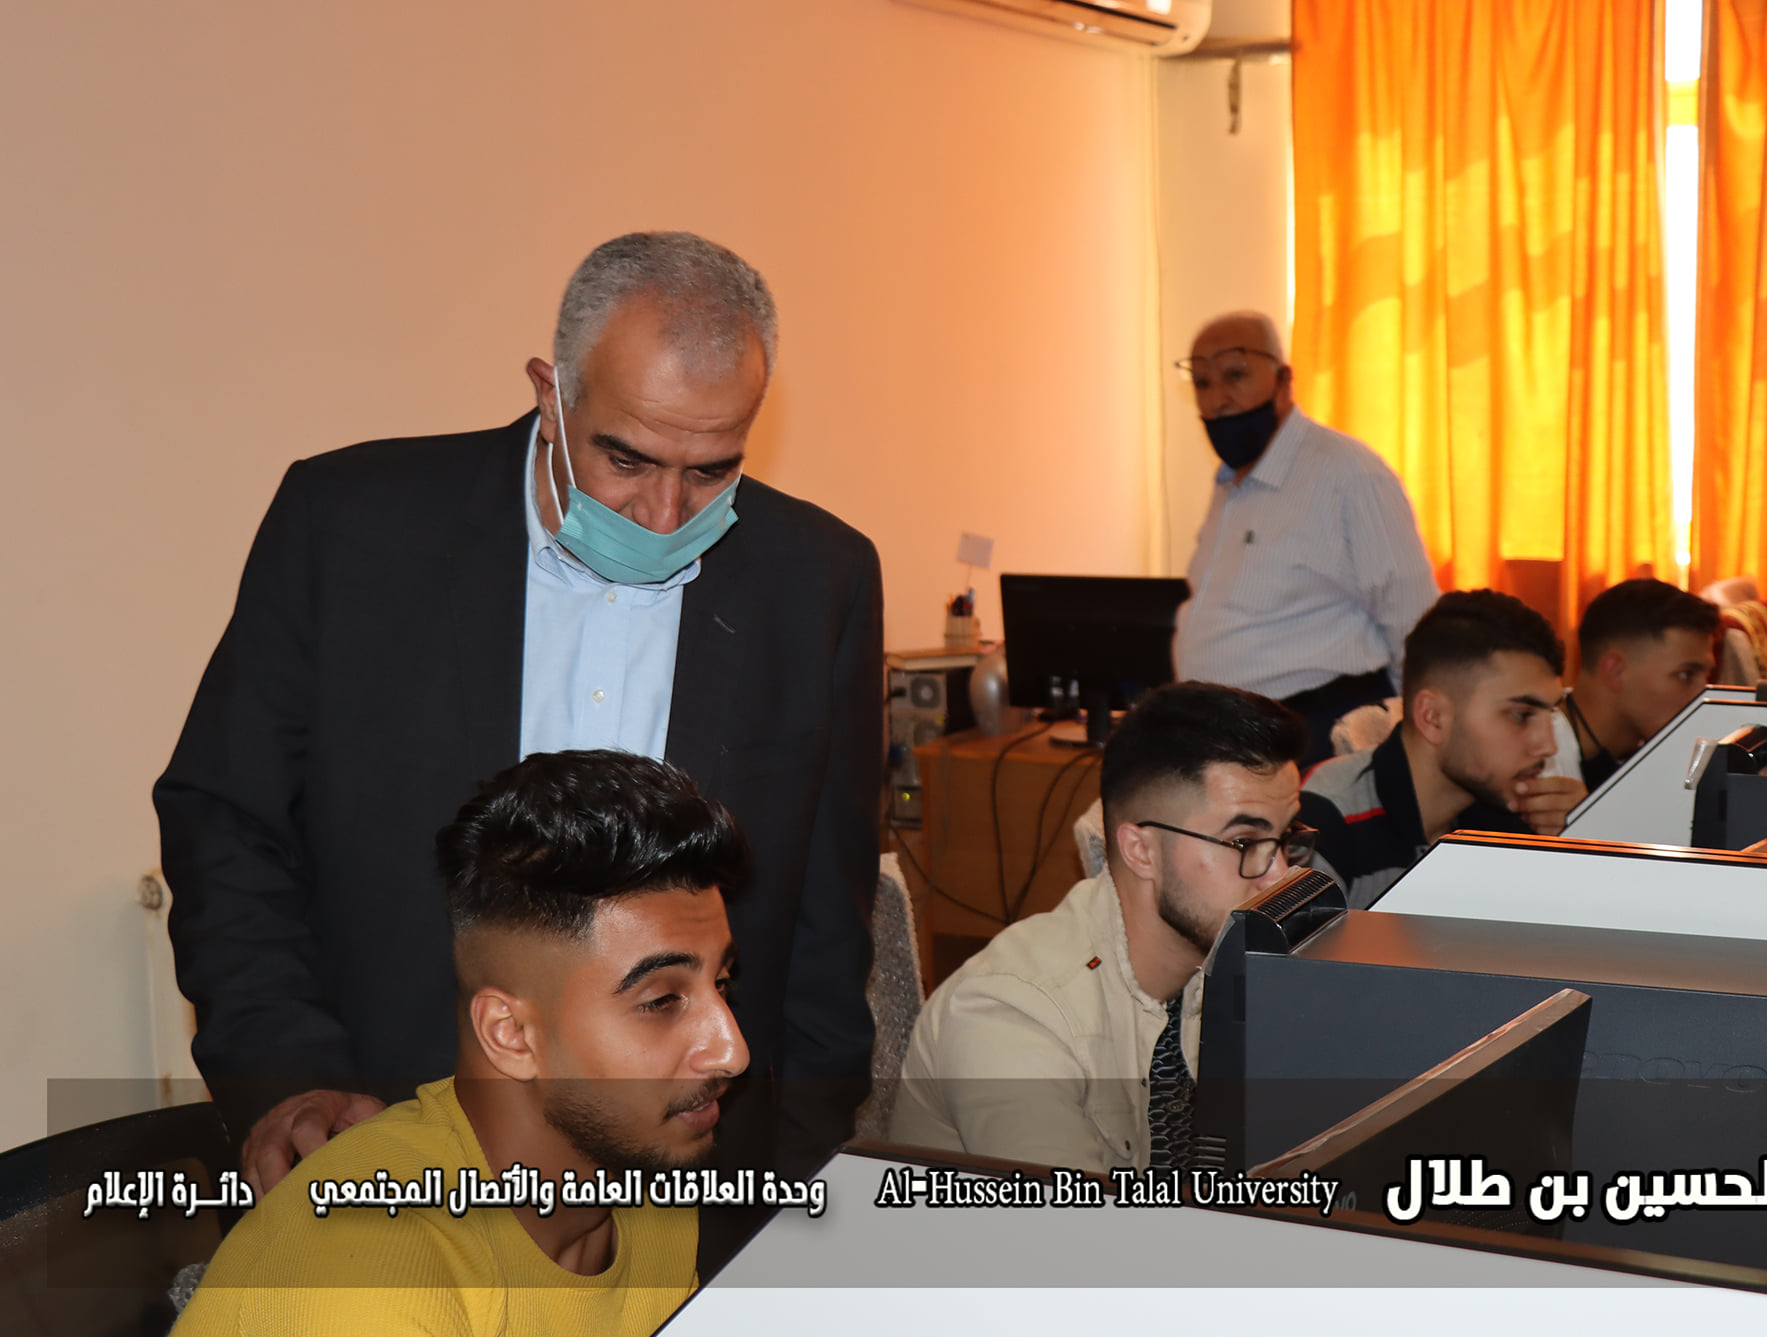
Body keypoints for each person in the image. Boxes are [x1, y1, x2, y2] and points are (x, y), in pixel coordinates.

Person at [155, 232, 880, 1202]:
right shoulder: (351, 527)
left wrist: (792, 1167)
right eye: (626, 457)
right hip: (382, 1133)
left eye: (711, 470)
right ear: (552, 392)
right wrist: (286, 1079)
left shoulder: (817, 578)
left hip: (693, 1169)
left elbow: (826, 917)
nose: (664, 513)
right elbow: (226, 817)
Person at [174, 750, 748, 1333]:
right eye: (661, 1000)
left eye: (722, 983)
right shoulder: (368, 1267)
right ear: (510, 1034)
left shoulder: (651, 1191)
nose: (732, 1051)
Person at [889, 683, 1324, 1171]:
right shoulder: (1011, 1016)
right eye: (1244, 842)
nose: (1279, 873)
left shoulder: (1223, 966)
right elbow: (1072, 1219)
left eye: (1285, 837)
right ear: (1141, 851)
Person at [1171, 311, 1439, 767]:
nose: (1217, 400)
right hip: (1225, 738)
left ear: (1283, 380)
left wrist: (1415, 750)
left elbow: (1415, 625)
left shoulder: (1348, 474)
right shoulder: (1228, 486)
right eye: (1202, 382)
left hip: (1317, 737)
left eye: (1235, 374)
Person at [1306, 590, 1566, 906]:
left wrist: (1572, 843)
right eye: (1521, 715)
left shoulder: (1509, 820)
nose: (1548, 746)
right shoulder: (1323, 822)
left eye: (1552, 714)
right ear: (1433, 717)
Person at [1551, 578, 1720, 790]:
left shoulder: (1658, 755)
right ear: (1616, 671)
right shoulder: (1534, 762)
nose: (1703, 694)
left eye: (1707, 676)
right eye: (1686, 675)